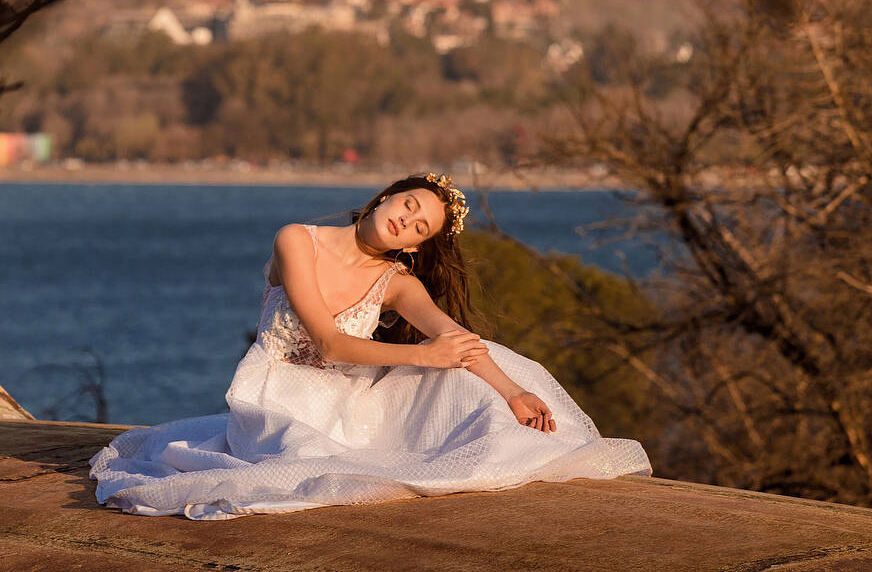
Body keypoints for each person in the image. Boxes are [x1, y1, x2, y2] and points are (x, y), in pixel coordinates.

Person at [88, 172, 652, 520]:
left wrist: (515, 393)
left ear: (417, 247)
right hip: (277, 393)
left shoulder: (398, 283)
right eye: (407, 206)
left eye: (420, 228)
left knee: (477, 365)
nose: (407, 222)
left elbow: (453, 340)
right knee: (311, 467)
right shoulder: (297, 240)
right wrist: (424, 355)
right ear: (385, 198)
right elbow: (328, 344)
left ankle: (506, 443)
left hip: (354, 398)